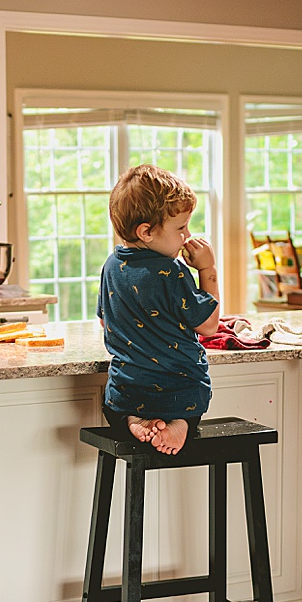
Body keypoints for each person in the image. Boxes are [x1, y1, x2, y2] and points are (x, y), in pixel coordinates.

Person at [97, 164, 221, 456]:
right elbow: (209, 325)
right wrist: (207, 268)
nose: (187, 236)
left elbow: (106, 322)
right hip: (179, 393)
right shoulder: (173, 271)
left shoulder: (111, 266)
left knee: (113, 403)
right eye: (180, 228)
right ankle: (181, 423)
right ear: (147, 232)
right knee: (195, 391)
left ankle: (132, 420)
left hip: (126, 392)